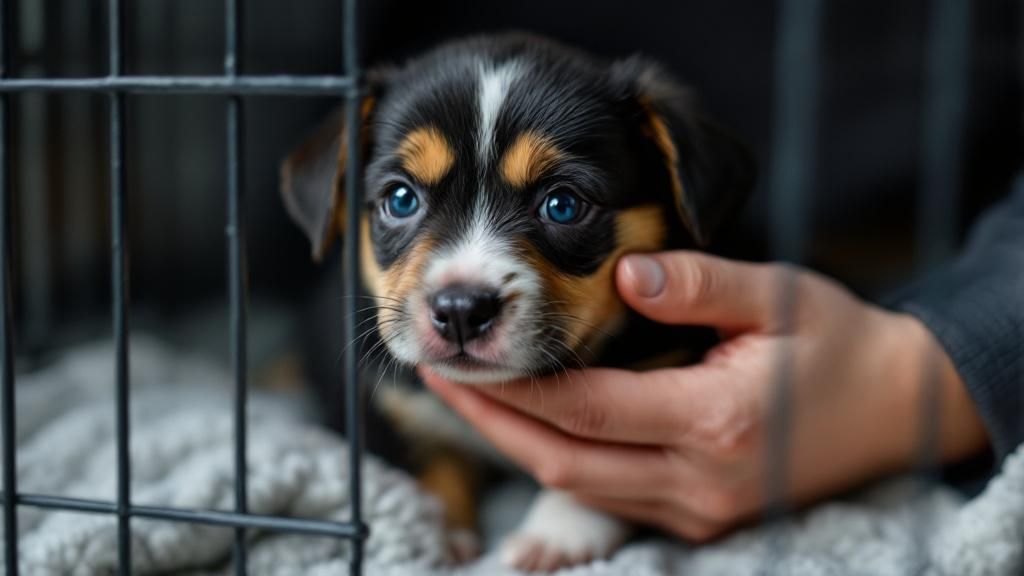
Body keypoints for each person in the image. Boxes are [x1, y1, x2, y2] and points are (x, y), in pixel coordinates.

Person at [418, 177, 1024, 542]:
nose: (462, 293)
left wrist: (941, 367)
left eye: (562, 206)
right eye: (400, 198)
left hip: (943, 258)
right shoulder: (386, 358)